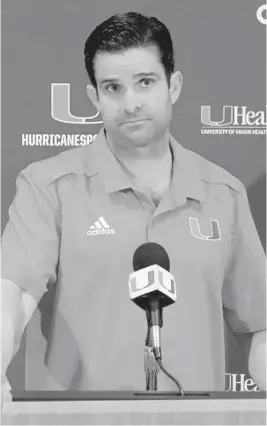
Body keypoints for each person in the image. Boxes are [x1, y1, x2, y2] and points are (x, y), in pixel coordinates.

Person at [1, 11, 266, 402]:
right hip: (80, 420)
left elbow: (258, 323)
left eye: (145, 82)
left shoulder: (223, 192)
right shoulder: (49, 185)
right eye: (113, 87)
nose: (131, 103)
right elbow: (14, 293)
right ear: (94, 97)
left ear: (173, 85)